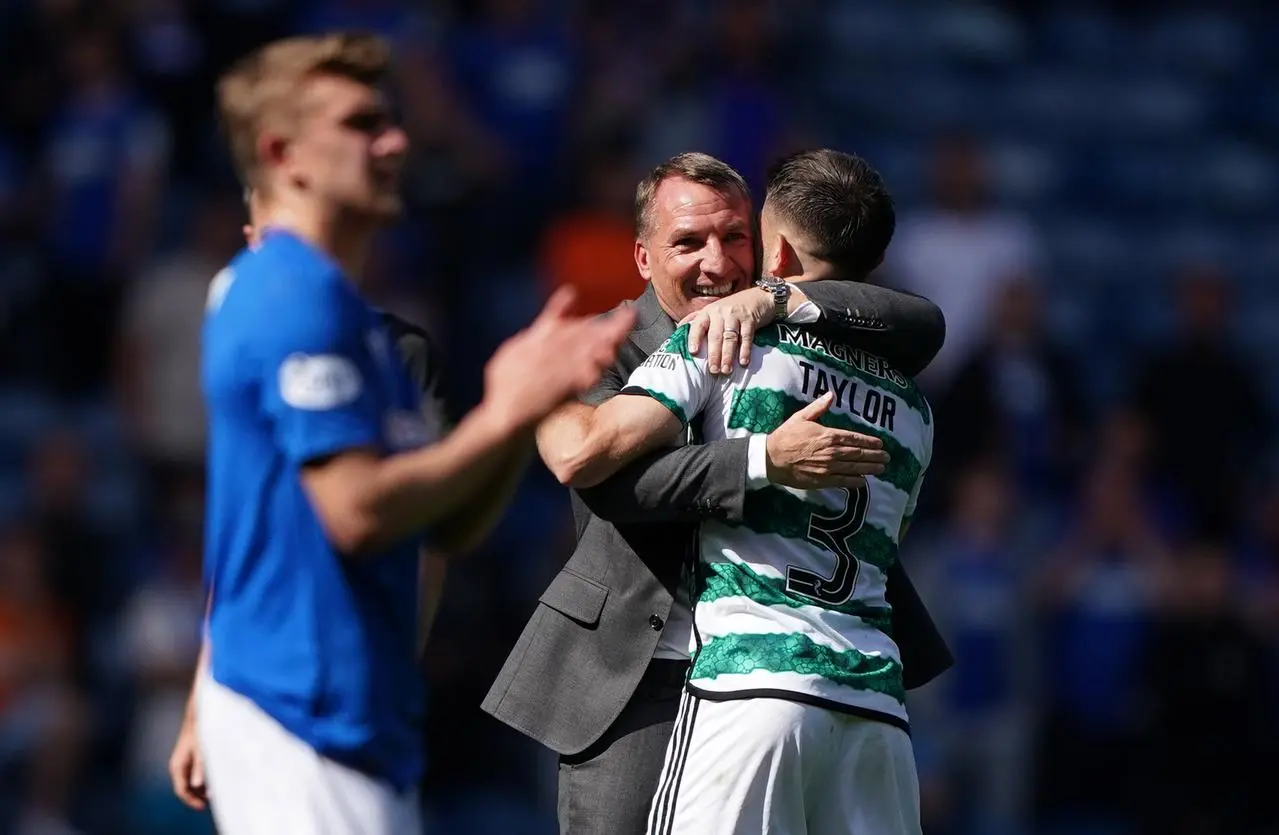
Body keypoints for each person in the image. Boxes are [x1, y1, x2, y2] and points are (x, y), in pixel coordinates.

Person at [192, 33, 633, 835]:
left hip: (358, 717)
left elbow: (445, 523)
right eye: (362, 124)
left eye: (391, 120)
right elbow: (355, 511)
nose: (394, 141)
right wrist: (501, 413)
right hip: (299, 710)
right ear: (283, 153)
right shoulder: (290, 296)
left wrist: (521, 408)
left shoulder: (366, 329)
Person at [483, 152, 950, 835]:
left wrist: (776, 296)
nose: (716, 261)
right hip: (640, 671)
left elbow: (921, 319)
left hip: (771, 667)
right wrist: (762, 458)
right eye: (688, 242)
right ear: (642, 259)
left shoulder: (782, 324)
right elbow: (598, 474)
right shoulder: (598, 345)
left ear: (769, 247)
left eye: (734, 236)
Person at [166, 188, 453, 817]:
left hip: (351, 689)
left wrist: (395, 666)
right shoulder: (251, 338)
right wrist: (200, 701)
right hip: (263, 685)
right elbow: (241, 542)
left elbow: (424, 540)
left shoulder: (398, 354)